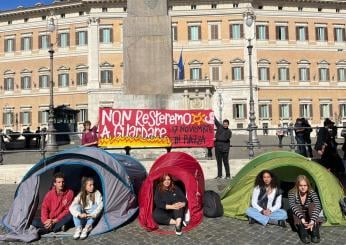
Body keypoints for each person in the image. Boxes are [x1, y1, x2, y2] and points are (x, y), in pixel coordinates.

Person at [288, 175, 322, 244]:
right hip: (299, 216)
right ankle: (303, 232)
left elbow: (318, 205)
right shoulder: (292, 193)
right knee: (296, 206)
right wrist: (302, 219)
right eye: (300, 185)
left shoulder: (311, 192)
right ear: (297, 185)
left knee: (313, 205)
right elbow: (293, 206)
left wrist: (312, 220)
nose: (303, 187)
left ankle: (314, 231)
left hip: (310, 215)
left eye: (305, 185)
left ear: (308, 185)